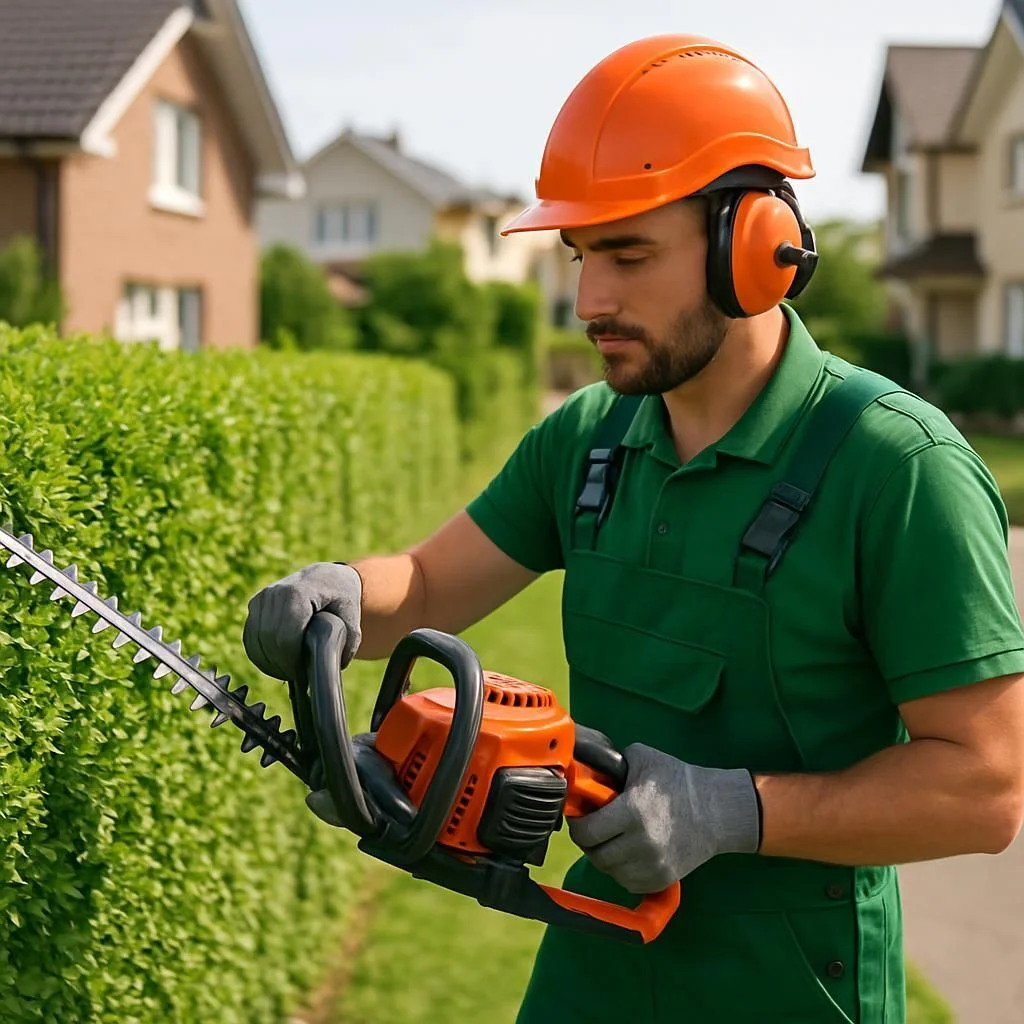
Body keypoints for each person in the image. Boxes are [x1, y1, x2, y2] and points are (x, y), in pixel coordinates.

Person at [242, 34, 1024, 1024]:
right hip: (595, 963)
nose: (586, 301)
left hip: (789, 992)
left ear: (755, 247)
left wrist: (735, 808)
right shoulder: (591, 440)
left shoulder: (897, 467)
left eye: (627, 253)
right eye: (579, 255)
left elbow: (985, 786)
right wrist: (348, 594)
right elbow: (431, 584)